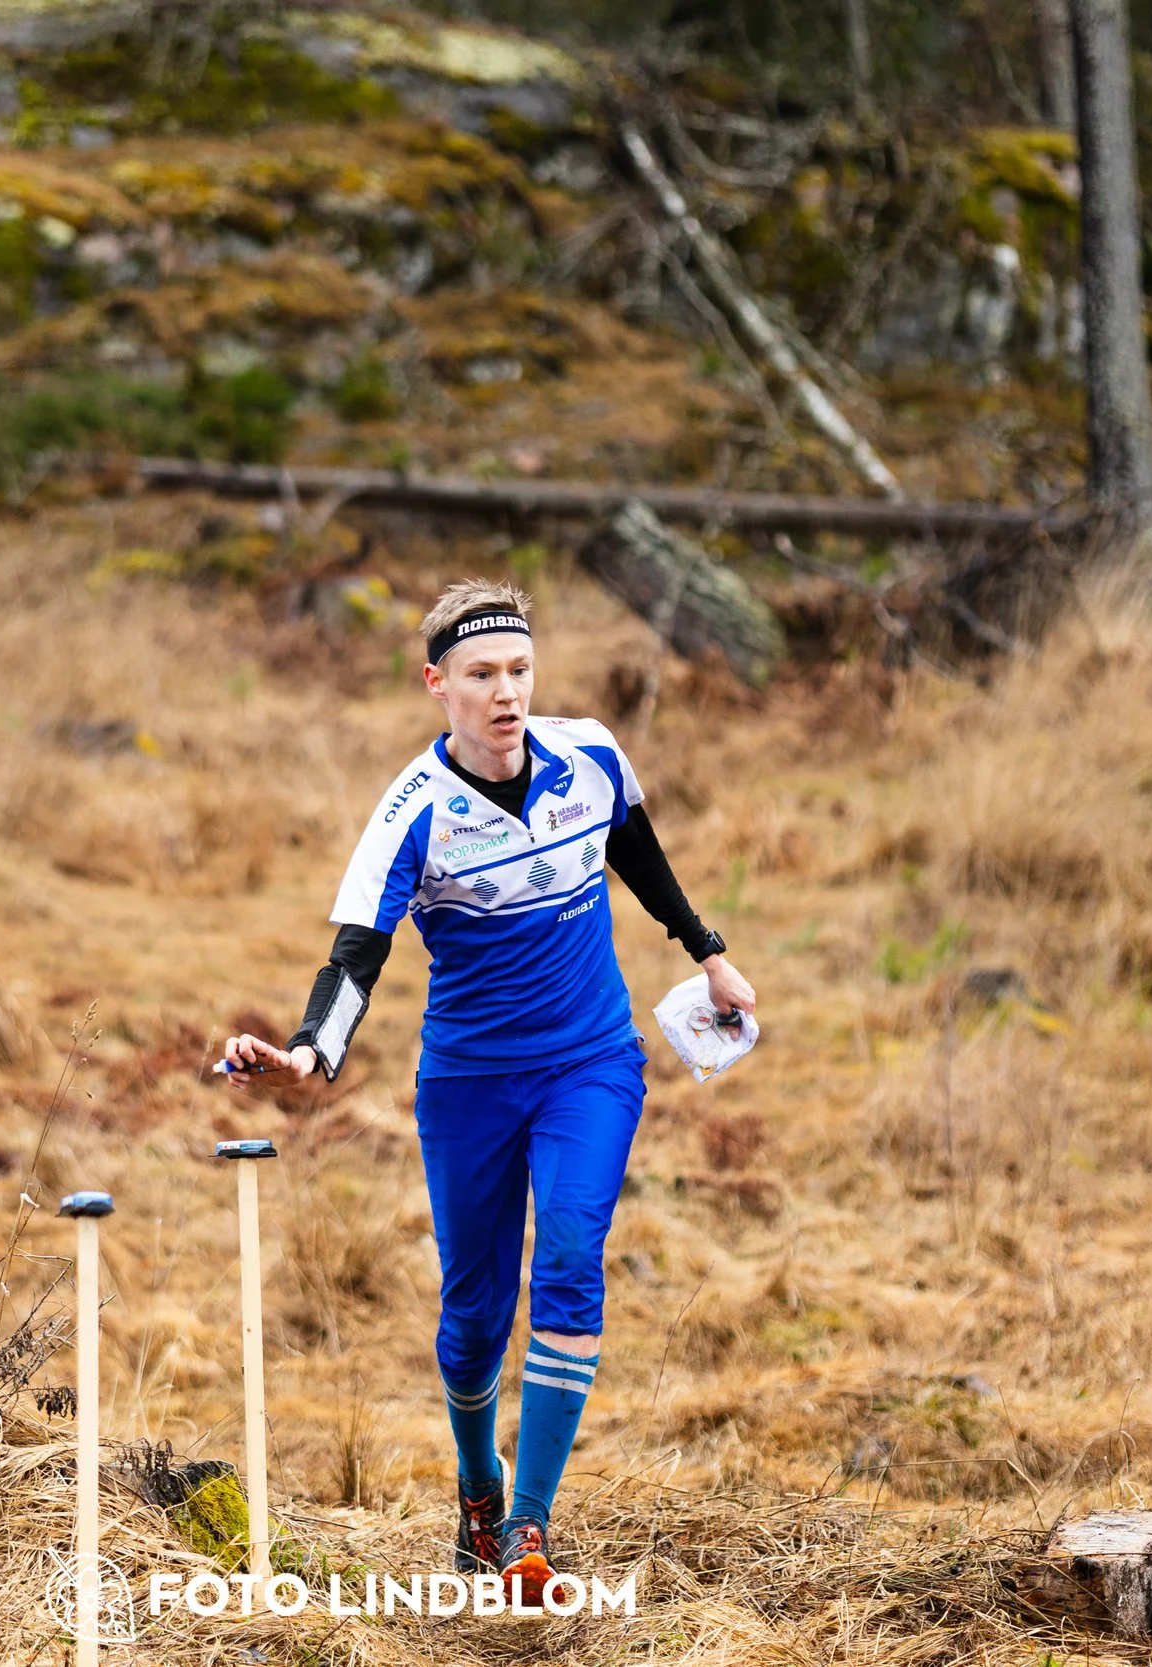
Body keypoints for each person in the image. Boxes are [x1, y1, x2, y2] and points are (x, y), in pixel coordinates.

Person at [219, 578, 755, 1601]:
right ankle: (477, 1483)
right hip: (467, 1080)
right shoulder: (411, 812)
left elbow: (637, 850)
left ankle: (526, 1526)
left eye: (517, 669)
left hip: (590, 1062)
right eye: (480, 674)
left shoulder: (590, 753)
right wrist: (306, 1054)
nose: (504, 692)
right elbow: (356, 956)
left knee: (567, 1261)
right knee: (473, 1313)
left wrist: (709, 951)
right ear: (437, 684)